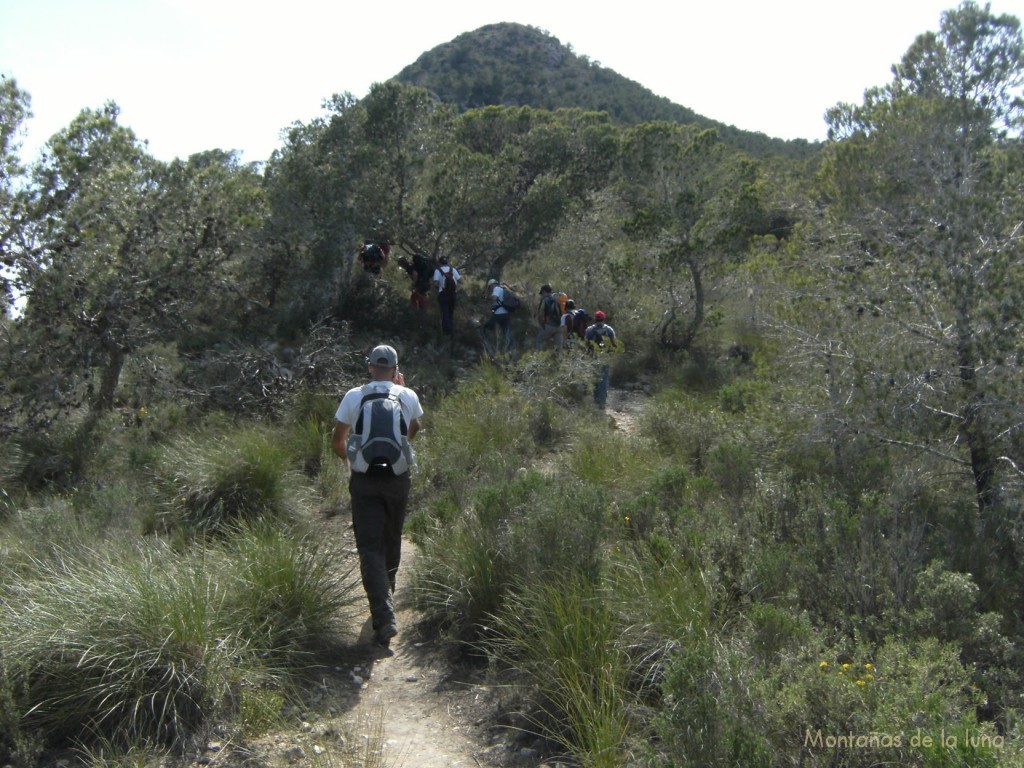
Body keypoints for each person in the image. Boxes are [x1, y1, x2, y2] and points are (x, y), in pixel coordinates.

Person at [332, 344, 424, 647]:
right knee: (392, 536)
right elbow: (413, 429)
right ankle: (389, 592)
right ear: (396, 369)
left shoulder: (353, 396)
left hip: (365, 481)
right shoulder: (407, 396)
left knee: (369, 546)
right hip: (397, 478)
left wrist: (352, 461)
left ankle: (383, 618)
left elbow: (337, 440)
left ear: (370, 366)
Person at [584, 310, 618, 407]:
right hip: (605, 357)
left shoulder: (589, 330)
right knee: (604, 379)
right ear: (604, 318)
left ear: (595, 319)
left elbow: (586, 344)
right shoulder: (609, 330)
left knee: (595, 378)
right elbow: (614, 344)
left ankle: (596, 400)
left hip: (593, 357)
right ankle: (602, 402)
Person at [482, 278, 514, 354]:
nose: (490, 288)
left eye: (490, 287)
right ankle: (510, 349)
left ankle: (488, 346)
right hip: (505, 314)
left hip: (499, 314)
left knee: (486, 328)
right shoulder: (502, 289)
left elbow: (494, 298)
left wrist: (486, 297)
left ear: (492, 285)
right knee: (506, 332)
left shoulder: (496, 288)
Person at [433, 256, 461, 337]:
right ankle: (451, 333)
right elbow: (460, 280)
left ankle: (447, 333)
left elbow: (435, 283)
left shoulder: (438, 271)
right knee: (450, 314)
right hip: (453, 294)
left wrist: (437, 288)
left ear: (440, 263)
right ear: (447, 262)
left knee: (444, 314)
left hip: (443, 294)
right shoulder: (453, 270)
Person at [534, 284, 563, 350]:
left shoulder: (544, 300)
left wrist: (541, 325)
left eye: (542, 293)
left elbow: (540, 314)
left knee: (539, 340)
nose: (542, 295)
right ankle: (560, 359)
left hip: (550, 326)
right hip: (559, 326)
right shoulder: (556, 300)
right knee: (559, 348)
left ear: (544, 292)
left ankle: (539, 359)